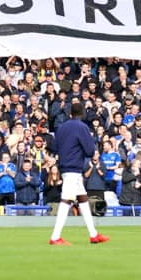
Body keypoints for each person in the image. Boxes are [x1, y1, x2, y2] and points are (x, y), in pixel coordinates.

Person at [48, 101, 110, 245]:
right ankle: (55, 236)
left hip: (65, 167)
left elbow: (54, 147)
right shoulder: (82, 127)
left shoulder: (62, 127)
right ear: (82, 114)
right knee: (66, 200)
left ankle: (93, 234)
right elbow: (89, 150)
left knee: (82, 199)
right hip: (73, 168)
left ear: (70, 114)